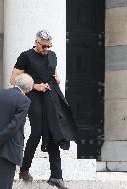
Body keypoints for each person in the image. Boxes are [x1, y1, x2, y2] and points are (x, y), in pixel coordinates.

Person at [10, 30, 77, 189]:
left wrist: (57, 78)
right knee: (37, 131)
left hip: (51, 95)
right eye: (44, 46)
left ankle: (56, 176)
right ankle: (24, 169)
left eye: (49, 46)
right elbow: (13, 80)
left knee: (55, 131)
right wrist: (34, 86)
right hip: (33, 96)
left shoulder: (52, 55)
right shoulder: (25, 56)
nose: (46, 49)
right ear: (37, 42)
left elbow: (52, 71)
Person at [0, 73, 33, 189]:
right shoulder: (24, 101)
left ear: (15, 83)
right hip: (8, 150)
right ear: (28, 89)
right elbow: (14, 126)